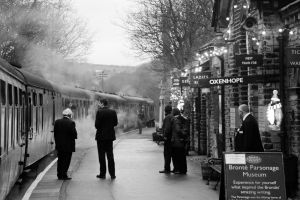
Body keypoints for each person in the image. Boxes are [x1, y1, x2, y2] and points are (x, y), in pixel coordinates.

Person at [95, 99, 118, 179]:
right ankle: (112, 174)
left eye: (99, 103)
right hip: (109, 137)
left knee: (101, 156)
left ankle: (102, 174)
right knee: (110, 156)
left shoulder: (99, 112)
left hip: (101, 137)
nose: (98, 105)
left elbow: (96, 125)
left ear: (102, 104)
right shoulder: (113, 112)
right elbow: (115, 123)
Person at [54, 108, 77, 180]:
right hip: (68, 146)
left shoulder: (57, 122)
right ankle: (64, 175)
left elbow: (55, 134)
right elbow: (75, 135)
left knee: (60, 160)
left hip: (59, 145)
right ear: (70, 115)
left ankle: (59, 175)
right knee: (66, 161)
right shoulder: (71, 123)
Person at [171, 108, 187, 174]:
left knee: (176, 156)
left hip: (176, 141)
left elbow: (177, 130)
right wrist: (184, 137)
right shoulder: (184, 119)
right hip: (182, 141)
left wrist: (181, 136)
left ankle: (178, 169)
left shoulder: (175, 120)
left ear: (174, 113)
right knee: (182, 156)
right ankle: (183, 169)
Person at [159, 105, 173, 174]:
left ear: (165, 111)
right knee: (170, 154)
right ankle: (170, 168)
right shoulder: (172, 116)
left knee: (167, 154)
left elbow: (167, 128)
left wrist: (164, 136)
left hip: (168, 139)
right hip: (172, 139)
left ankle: (167, 169)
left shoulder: (167, 117)